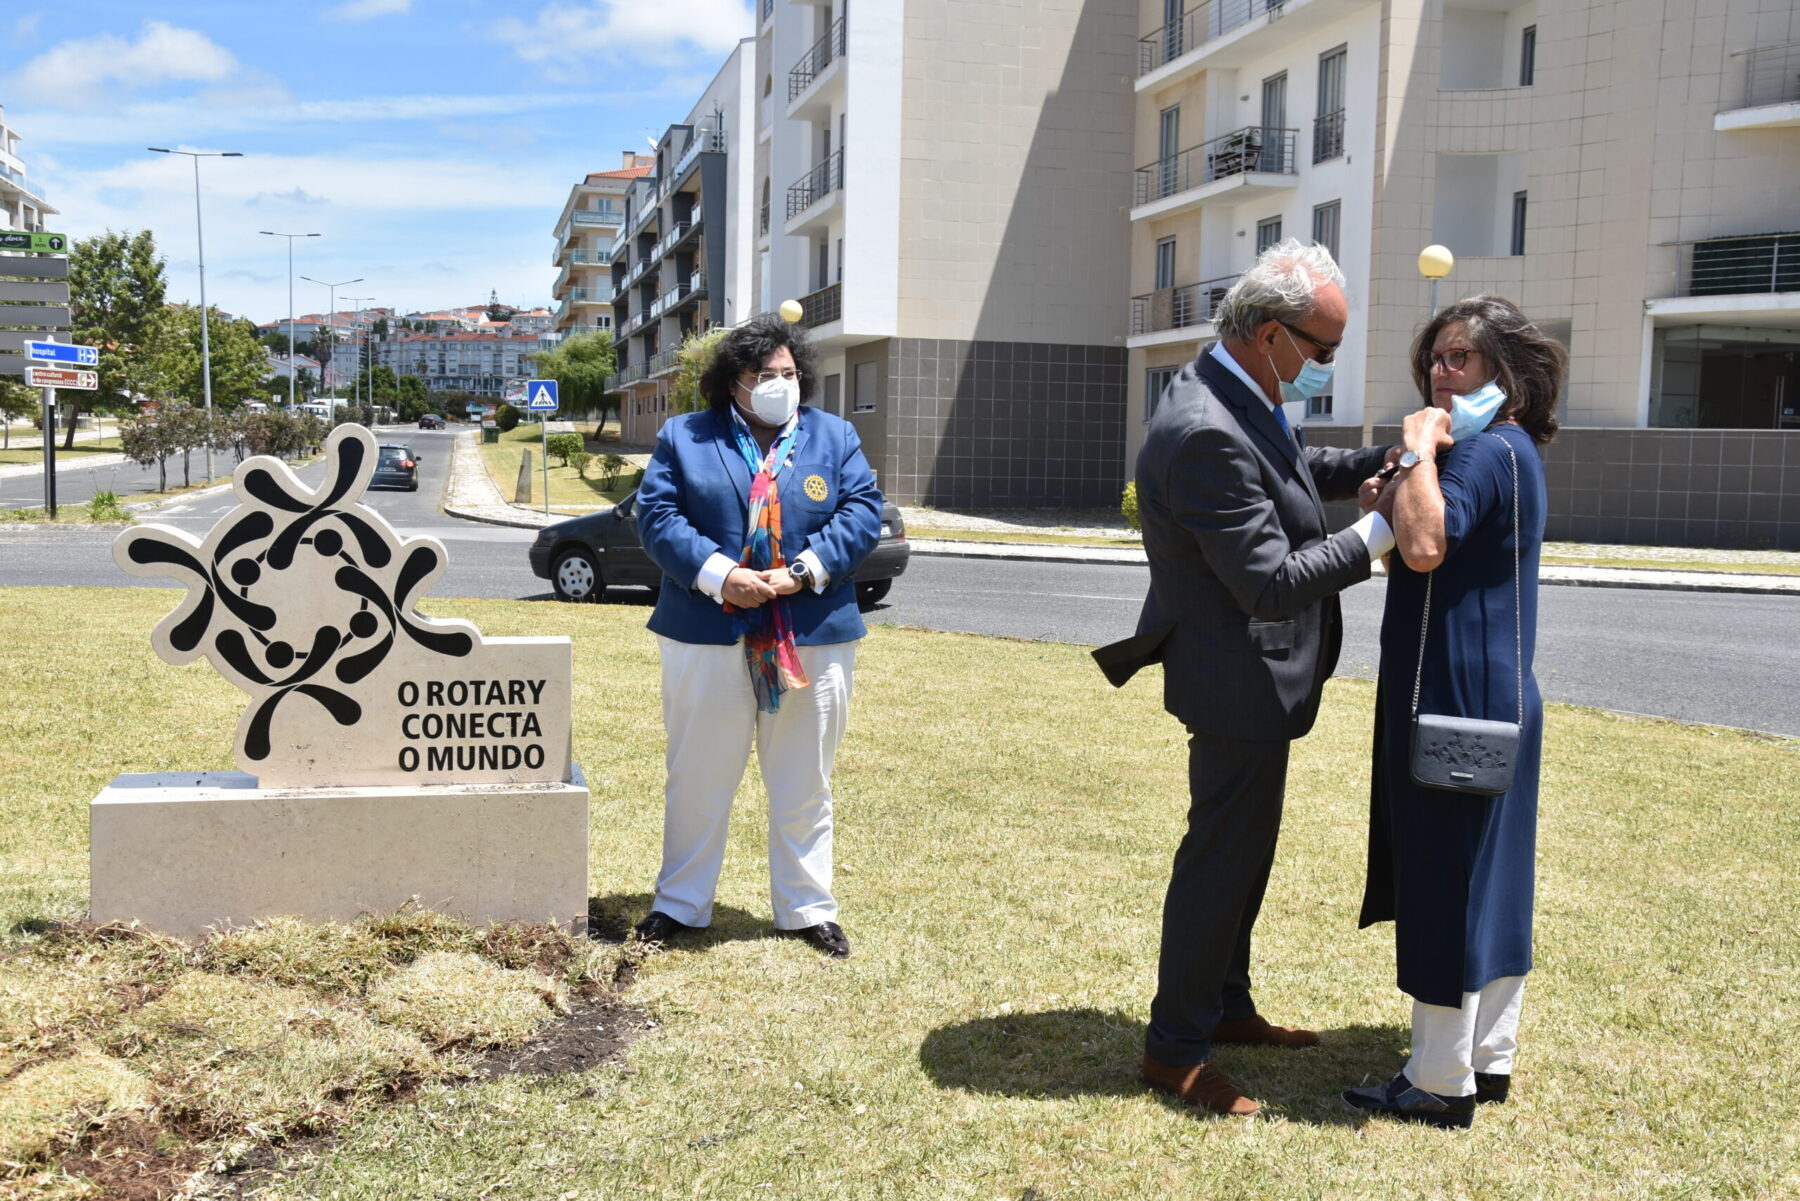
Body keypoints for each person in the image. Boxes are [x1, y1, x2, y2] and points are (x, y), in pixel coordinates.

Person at [1094, 240, 1400, 1117]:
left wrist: (1388, 459)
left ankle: (1224, 1006)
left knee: (1243, 855)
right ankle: (1176, 1050)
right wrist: (1377, 535)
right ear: (1272, 334)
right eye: (1324, 350)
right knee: (1220, 863)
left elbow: (1301, 475)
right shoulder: (1202, 432)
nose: (1327, 366)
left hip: (1256, 680)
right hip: (1236, 680)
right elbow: (1268, 583)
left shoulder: (1244, 390)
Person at [1342, 295, 1563, 1129]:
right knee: (1495, 880)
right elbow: (1426, 531)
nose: (1441, 370)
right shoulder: (1512, 452)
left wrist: (1419, 452)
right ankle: (1489, 1056)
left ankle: (1438, 1078)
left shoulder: (1475, 453)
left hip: (1452, 705)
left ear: (1503, 373)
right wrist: (1395, 488)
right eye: (1435, 356)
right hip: (1501, 699)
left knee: (1444, 880)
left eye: (1460, 356)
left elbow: (1427, 543)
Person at [632, 315, 882, 959]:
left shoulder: (836, 435)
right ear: (733, 382)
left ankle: (806, 908)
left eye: (789, 374)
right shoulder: (684, 436)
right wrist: (723, 576)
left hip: (812, 632)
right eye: (764, 375)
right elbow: (657, 517)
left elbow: (862, 513)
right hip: (706, 632)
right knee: (698, 775)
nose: (779, 385)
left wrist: (803, 572)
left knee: (805, 778)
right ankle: (681, 905)